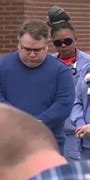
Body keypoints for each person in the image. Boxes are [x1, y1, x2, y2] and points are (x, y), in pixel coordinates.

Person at [0, 19, 75, 153]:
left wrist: (38, 123)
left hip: (47, 145)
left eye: (37, 50)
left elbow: (64, 103)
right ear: (19, 44)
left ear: (46, 46)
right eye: (27, 49)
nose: (32, 55)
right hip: (6, 145)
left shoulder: (61, 71)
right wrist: (18, 121)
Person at [46, 6, 90, 160]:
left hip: (79, 135)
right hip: (52, 135)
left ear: (76, 39)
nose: (63, 45)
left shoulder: (88, 64)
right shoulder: (47, 64)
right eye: (58, 43)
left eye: (68, 41)